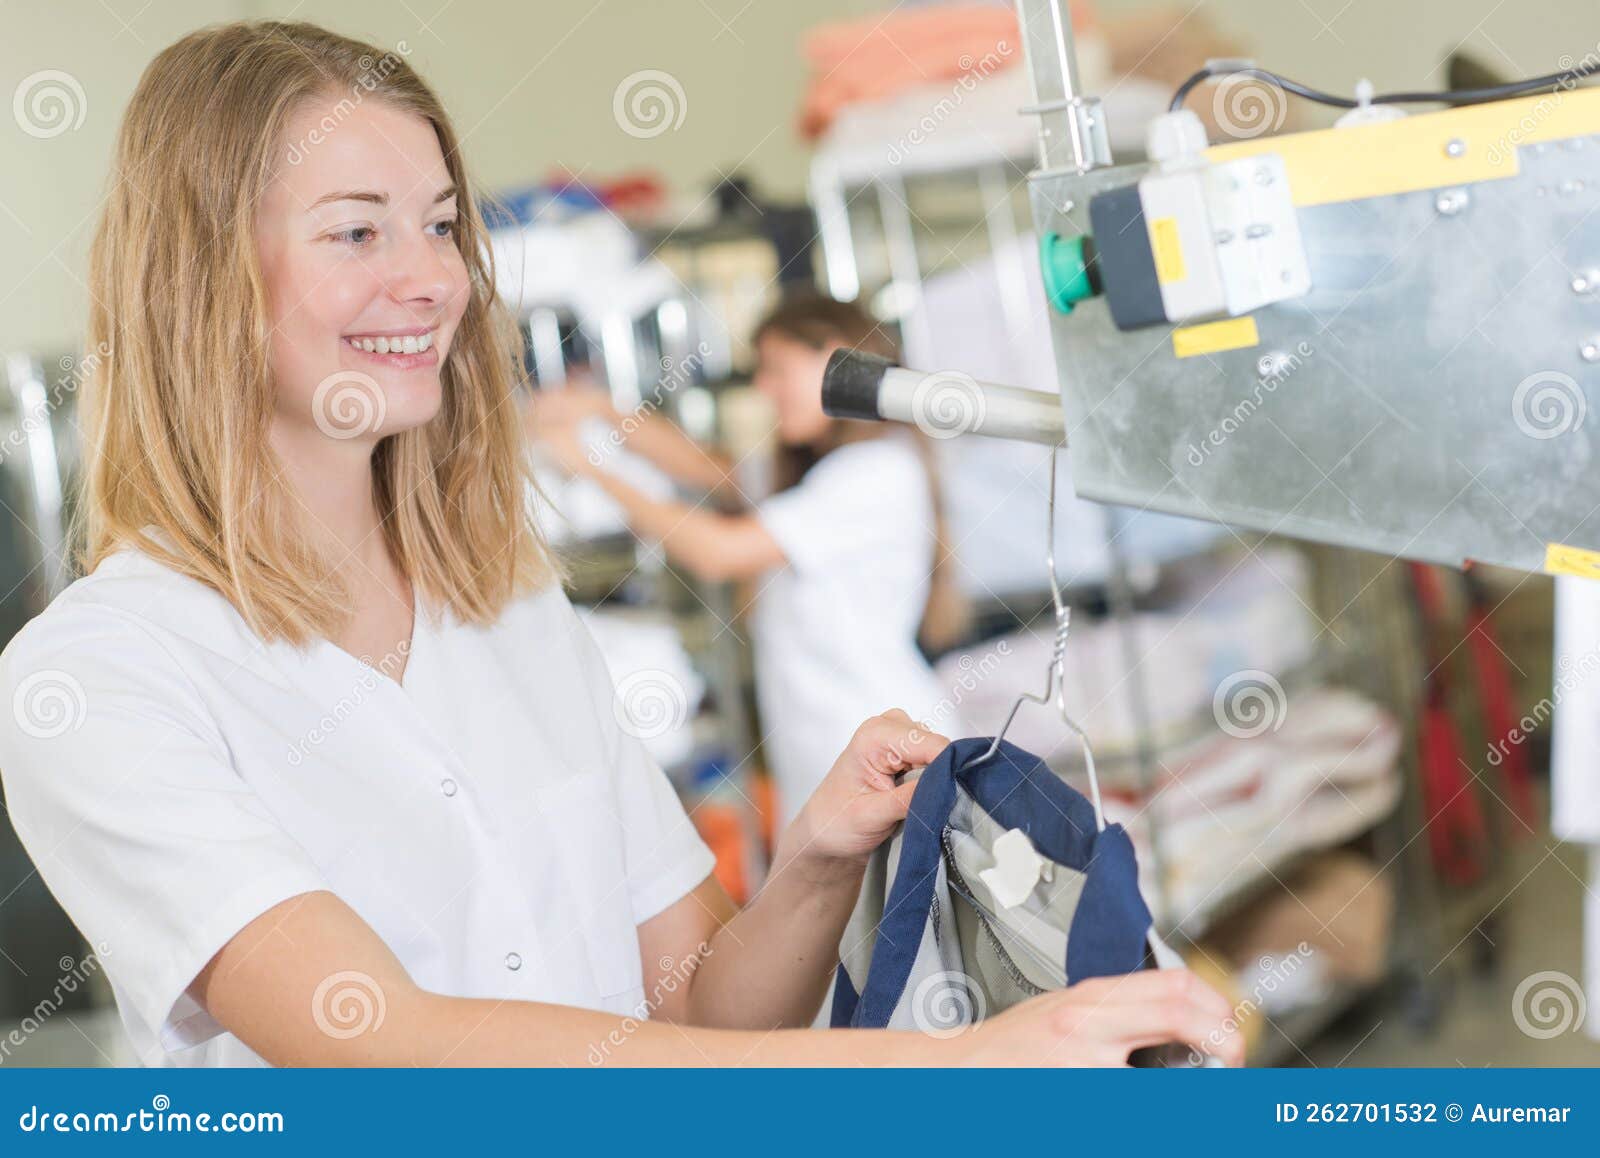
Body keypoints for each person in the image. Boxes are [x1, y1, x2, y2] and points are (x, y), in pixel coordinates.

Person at [0, 21, 1242, 1068]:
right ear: (206, 278)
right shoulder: (102, 676)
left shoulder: (506, 604)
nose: (434, 280)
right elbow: (394, 1050)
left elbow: (699, 1011)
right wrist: (958, 1067)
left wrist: (813, 865)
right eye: (357, 232)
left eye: (443, 225)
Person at [533, 297, 967, 825]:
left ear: (837, 359)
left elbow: (719, 552)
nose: (763, 388)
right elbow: (710, 469)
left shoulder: (876, 471)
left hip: (876, 743)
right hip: (829, 745)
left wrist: (589, 467)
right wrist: (599, 409)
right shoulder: (824, 468)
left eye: (776, 369)